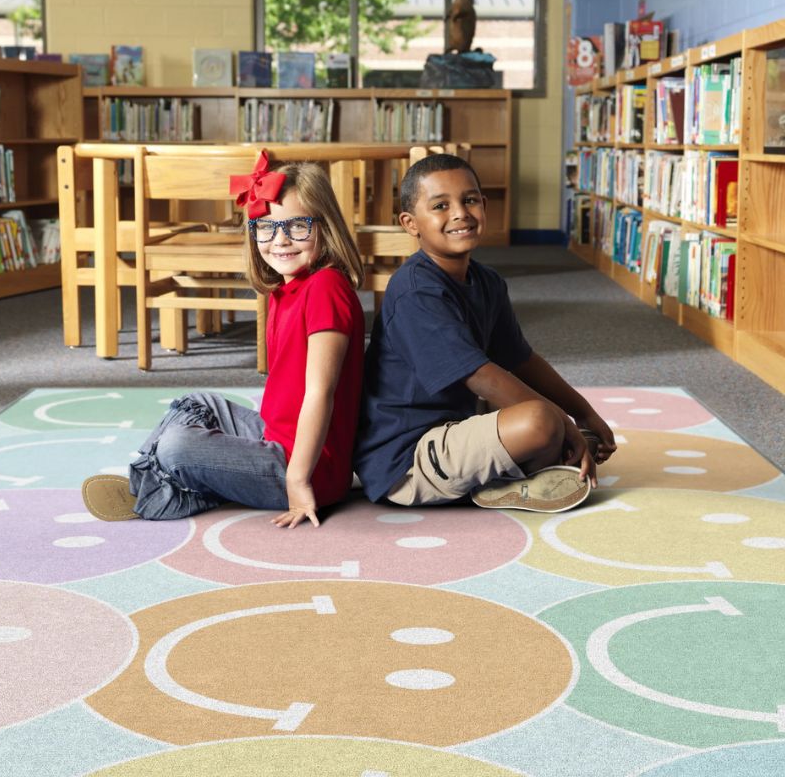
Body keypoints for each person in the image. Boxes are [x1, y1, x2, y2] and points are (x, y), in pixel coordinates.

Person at [81, 154, 365, 529]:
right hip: (276, 435)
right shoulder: (287, 289)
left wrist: (297, 480)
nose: (280, 240)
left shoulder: (326, 287)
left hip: (308, 469)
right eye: (265, 227)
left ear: (324, 227)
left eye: (297, 226)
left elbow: (320, 394)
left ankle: (163, 490)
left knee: (177, 446)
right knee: (196, 404)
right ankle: (160, 480)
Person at [353, 153, 617, 513]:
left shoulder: (487, 281)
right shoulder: (415, 290)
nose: (460, 212)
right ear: (411, 223)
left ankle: (526, 466)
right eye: (441, 205)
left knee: (550, 425)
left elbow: (522, 359)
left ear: (485, 205)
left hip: (458, 425)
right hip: (406, 458)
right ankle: (509, 480)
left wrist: (583, 413)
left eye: (470, 200)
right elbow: (480, 376)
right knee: (540, 421)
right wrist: (562, 423)